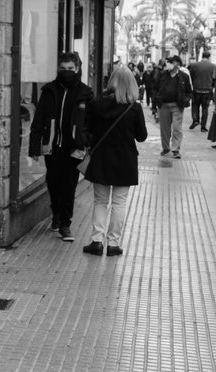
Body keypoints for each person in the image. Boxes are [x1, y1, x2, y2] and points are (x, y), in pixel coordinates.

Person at [81, 65, 148, 257]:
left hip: (101, 158)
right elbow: (142, 136)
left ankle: (96, 241)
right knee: (119, 202)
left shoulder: (96, 104)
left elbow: (90, 130)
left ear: (111, 82)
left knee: (100, 200)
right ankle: (113, 244)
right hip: (124, 160)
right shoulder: (134, 108)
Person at [27, 53, 93, 241]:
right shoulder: (49, 91)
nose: (66, 72)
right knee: (54, 183)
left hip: (74, 148)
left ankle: (65, 224)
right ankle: (56, 213)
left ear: (77, 69)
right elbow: (39, 119)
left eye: (70, 69)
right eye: (63, 69)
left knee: (69, 185)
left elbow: (91, 122)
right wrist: (34, 147)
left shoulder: (85, 93)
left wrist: (85, 140)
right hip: (52, 147)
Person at [154, 55, 192, 158]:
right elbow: (155, 88)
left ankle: (176, 149)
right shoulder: (162, 75)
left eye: (172, 62)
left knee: (177, 128)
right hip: (164, 105)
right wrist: (156, 100)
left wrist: (185, 100)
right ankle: (166, 148)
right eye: (168, 62)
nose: (169, 64)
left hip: (177, 106)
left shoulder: (184, 76)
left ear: (178, 64)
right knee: (164, 129)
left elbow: (189, 92)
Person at [187, 49, 216, 132]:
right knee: (205, 108)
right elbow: (214, 78)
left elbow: (190, 76)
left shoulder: (194, 65)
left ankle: (195, 120)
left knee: (195, 106)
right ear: (209, 57)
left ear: (202, 56)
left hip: (196, 90)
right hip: (207, 91)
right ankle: (203, 126)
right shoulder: (213, 66)